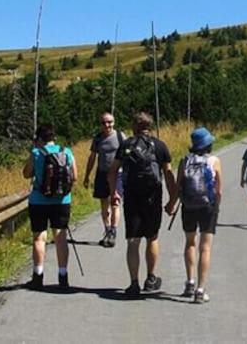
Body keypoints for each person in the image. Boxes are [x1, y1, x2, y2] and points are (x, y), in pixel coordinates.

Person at [108, 112, 177, 297]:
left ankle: (133, 283)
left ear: (134, 127)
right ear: (150, 127)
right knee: (152, 238)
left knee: (133, 240)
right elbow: (169, 175)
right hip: (153, 197)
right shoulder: (160, 146)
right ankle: (151, 278)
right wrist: (172, 199)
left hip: (132, 196)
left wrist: (114, 192)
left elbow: (113, 170)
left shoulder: (126, 145)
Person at [23, 124, 77, 290]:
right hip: (62, 201)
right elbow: (74, 176)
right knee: (60, 238)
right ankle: (63, 276)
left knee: (39, 238)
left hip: (39, 201)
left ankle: (38, 276)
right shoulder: (66, 151)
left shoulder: (36, 153)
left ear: (39, 138)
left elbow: (26, 174)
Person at [175, 127, 223, 303]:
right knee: (206, 247)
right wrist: (216, 207)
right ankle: (201, 290)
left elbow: (178, 186)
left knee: (189, 243)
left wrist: (172, 204)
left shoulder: (184, 161)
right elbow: (219, 189)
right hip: (207, 207)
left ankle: (190, 282)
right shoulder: (215, 161)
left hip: (188, 206)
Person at [83, 112, 124, 247]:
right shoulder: (98, 138)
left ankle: (113, 231)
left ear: (114, 122)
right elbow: (92, 157)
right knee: (104, 205)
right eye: (104, 123)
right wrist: (87, 176)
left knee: (115, 203)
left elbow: (128, 155)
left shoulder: (120, 136)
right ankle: (107, 229)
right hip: (102, 174)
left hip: (117, 174)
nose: (107, 125)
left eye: (110, 122)